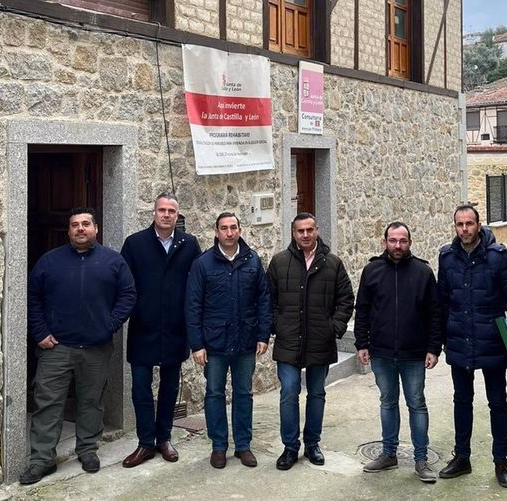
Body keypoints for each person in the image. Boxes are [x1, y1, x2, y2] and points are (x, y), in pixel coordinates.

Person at [21, 208, 136, 485]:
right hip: (55, 348)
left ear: (96, 228)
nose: (80, 229)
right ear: (69, 231)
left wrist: (110, 325)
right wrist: (40, 332)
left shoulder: (113, 261)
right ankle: (42, 460)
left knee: (91, 402)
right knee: (47, 403)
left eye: (86, 224)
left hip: (96, 348)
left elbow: (128, 294)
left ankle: (87, 450)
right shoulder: (50, 262)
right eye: (75, 225)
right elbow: (32, 298)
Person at [436, 204, 507, 489]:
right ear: (455, 226)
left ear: (479, 225)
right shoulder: (446, 257)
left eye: (469, 224)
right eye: (460, 224)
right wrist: (437, 340)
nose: (465, 229)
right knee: (461, 401)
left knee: (497, 403)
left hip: (493, 340)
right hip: (458, 338)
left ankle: (501, 461)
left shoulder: (498, 258)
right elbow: (441, 301)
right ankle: (462, 458)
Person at [354, 221, 442, 484]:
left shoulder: (423, 272)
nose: (397, 246)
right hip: (381, 353)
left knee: (416, 404)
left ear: (410, 243)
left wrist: (433, 348)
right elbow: (363, 310)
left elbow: (434, 314)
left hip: (414, 354)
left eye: (402, 241)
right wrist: (362, 343)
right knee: (387, 402)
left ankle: (421, 459)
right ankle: (388, 453)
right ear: (384, 242)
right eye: (393, 241)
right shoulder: (371, 270)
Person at [267, 212, 355, 470]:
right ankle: (290, 447)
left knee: (316, 393)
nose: (305, 235)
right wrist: (277, 326)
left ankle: (312, 444)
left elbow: (346, 300)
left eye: (309, 230)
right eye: (300, 231)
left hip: (320, 340)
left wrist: (333, 328)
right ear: (293, 233)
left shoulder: (333, 263)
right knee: (289, 392)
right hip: (288, 341)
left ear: (316, 230)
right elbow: (268, 300)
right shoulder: (279, 262)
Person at [120, 192, 202, 468]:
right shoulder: (135, 244)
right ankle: (145, 443)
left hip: (176, 328)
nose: (166, 215)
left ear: (177, 216)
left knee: (169, 387)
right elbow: (123, 285)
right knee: (141, 388)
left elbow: (196, 287)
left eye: (171, 211)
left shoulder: (189, 244)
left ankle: (164, 437)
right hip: (144, 326)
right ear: (153, 213)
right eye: (162, 210)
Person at [186, 212, 272, 470]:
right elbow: (193, 306)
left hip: (246, 340)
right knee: (214, 394)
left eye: (233, 227)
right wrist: (197, 344)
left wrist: (263, 335)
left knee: (244, 394)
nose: (229, 232)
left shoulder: (253, 261)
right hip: (214, 343)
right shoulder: (203, 264)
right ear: (216, 232)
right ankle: (219, 446)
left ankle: (243, 445)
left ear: (240, 230)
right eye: (224, 228)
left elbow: (264, 300)